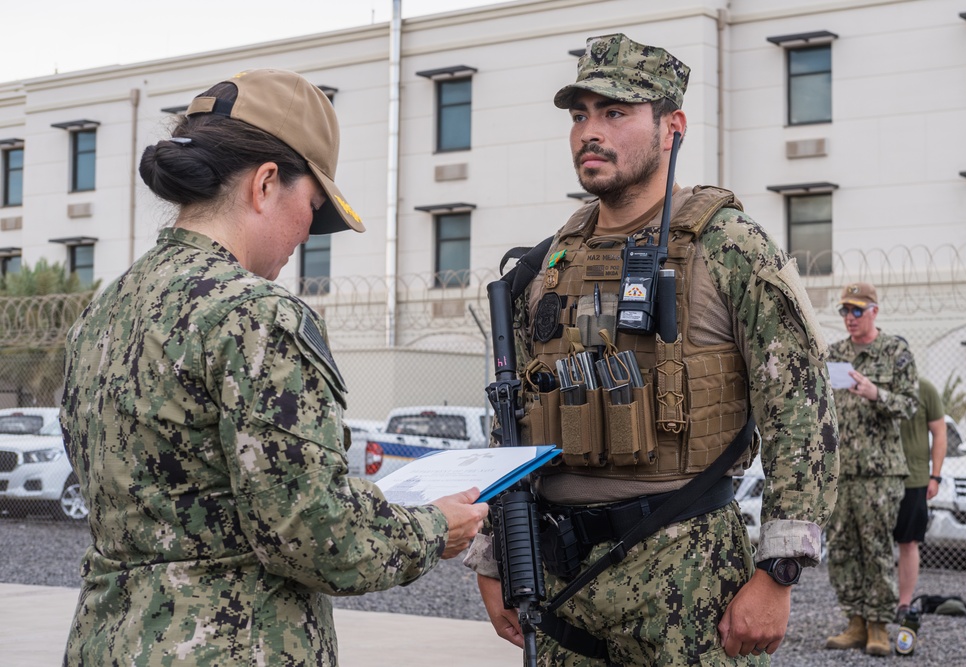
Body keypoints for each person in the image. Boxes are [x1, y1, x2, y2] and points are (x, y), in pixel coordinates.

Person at [59, 68, 488, 666]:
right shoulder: (257, 314)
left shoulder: (106, 308)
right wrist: (434, 528)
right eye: (311, 205)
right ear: (265, 184)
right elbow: (314, 537)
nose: (309, 231)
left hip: (104, 643)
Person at [464, 34, 839, 665]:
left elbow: (801, 411)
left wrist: (779, 572)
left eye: (615, 112)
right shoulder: (547, 261)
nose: (590, 131)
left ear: (673, 126)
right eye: (580, 114)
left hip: (688, 577)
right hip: (565, 582)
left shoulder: (730, 247)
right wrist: (497, 552)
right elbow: (515, 422)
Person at [825, 282, 918, 656]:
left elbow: (911, 405)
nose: (850, 317)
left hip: (880, 472)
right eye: (845, 311)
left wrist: (876, 394)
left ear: (874, 311)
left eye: (857, 311)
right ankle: (855, 622)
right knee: (843, 547)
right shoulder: (835, 355)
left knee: (877, 548)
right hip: (842, 469)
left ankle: (879, 625)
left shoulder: (895, 351)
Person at [895, 375, 947, 621]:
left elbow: (939, 432)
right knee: (872, 545)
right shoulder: (872, 386)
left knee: (909, 542)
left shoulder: (925, 389)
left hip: (914, 479)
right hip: (875, 479)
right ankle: (872, 607)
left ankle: (904, 603)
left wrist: (935, 476)